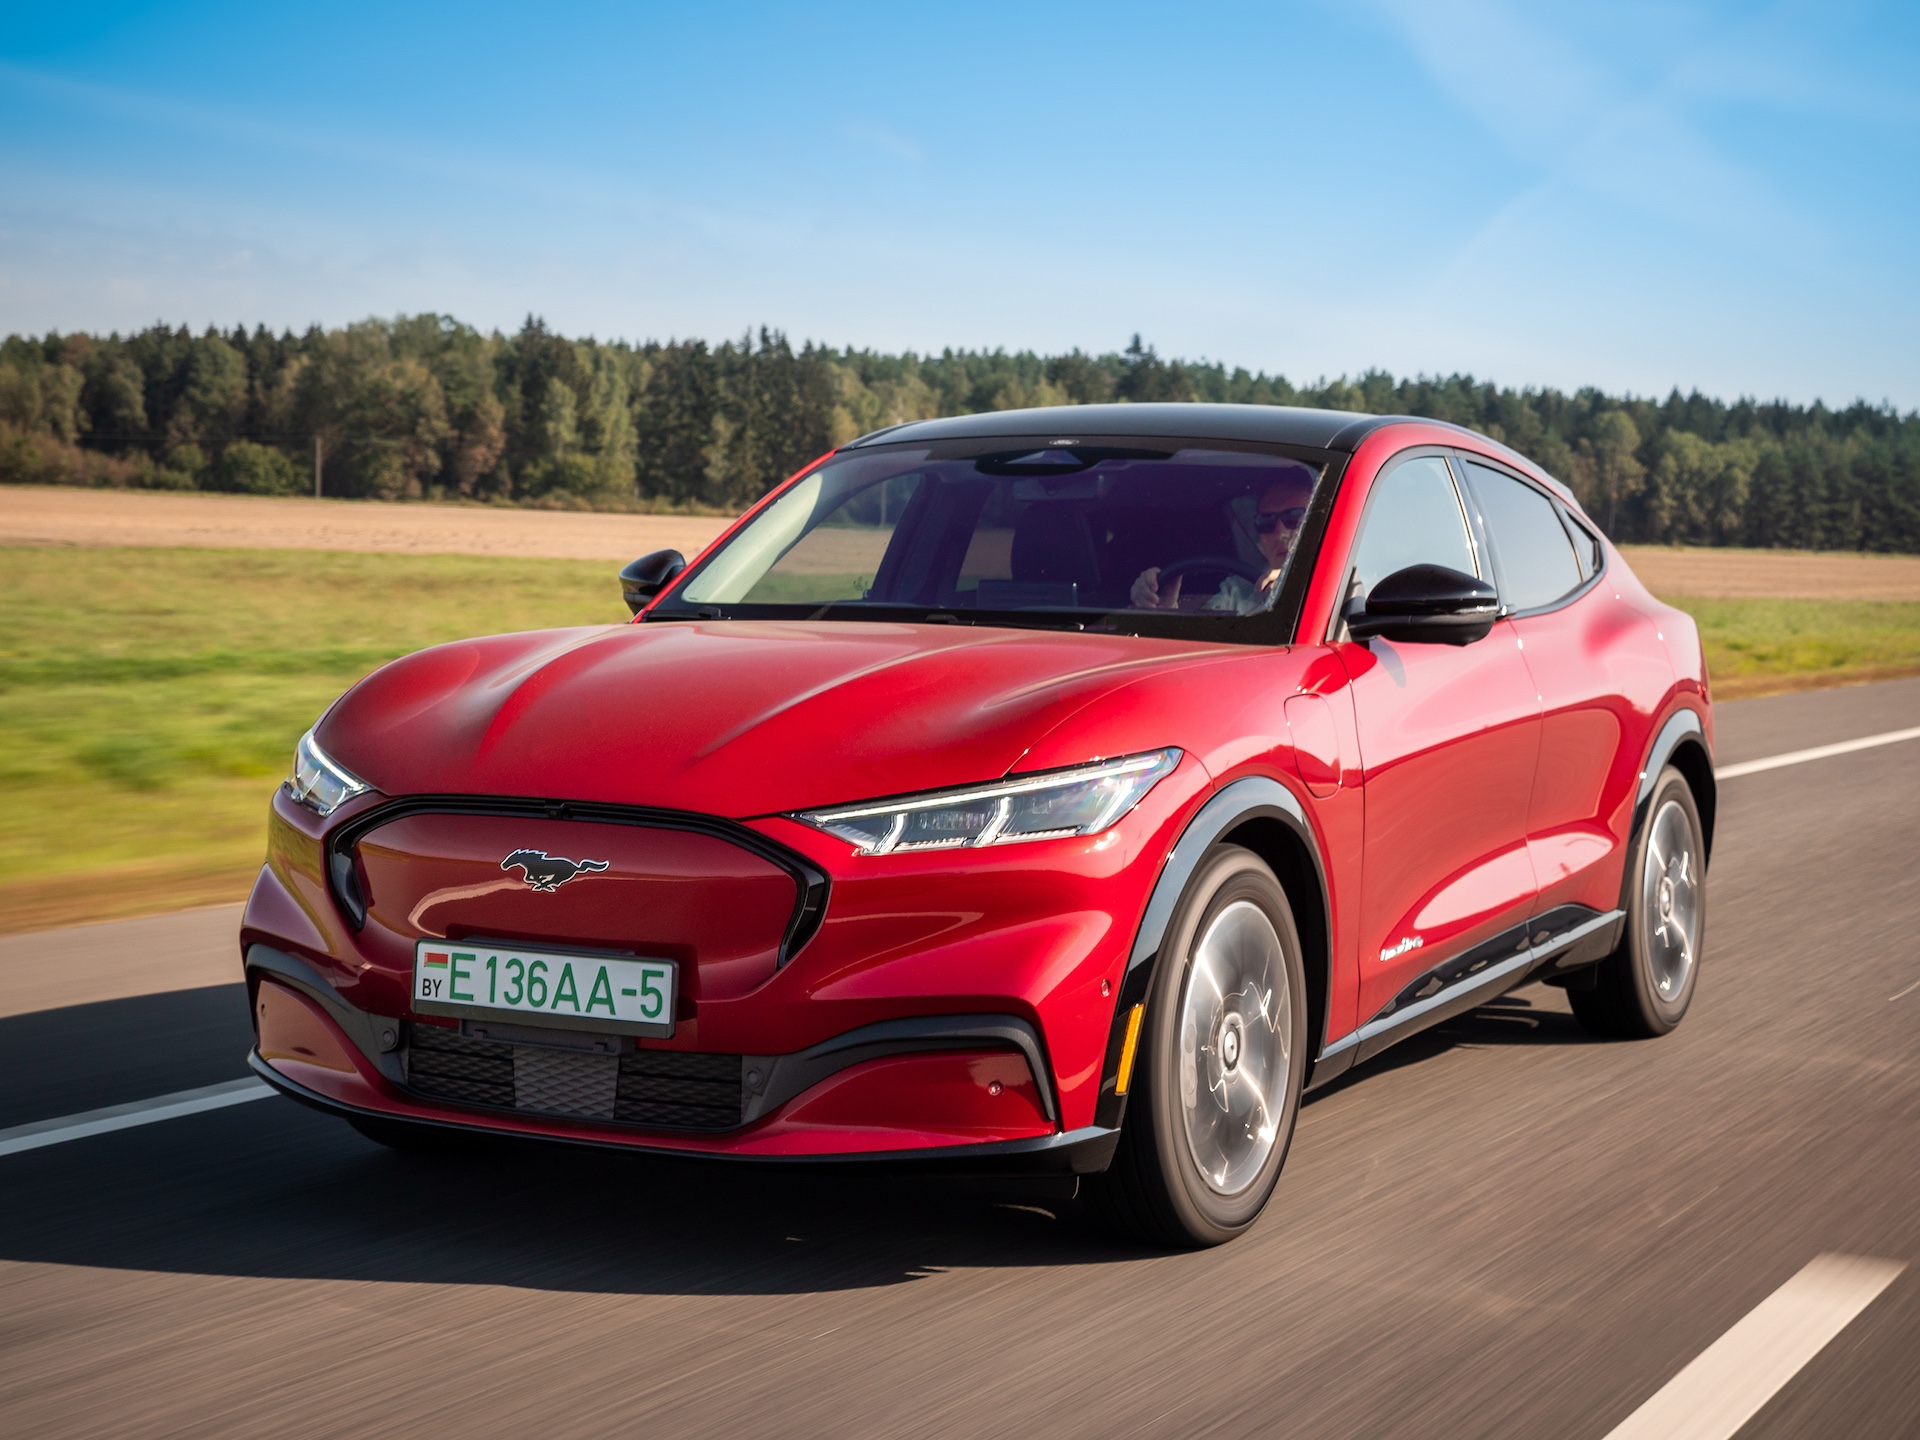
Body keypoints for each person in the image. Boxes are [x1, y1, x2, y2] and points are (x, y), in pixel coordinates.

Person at [1129, 478, 1312, 614]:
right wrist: (1164, 607)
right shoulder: (1237, 590)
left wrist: (1294, 588)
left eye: (1294, 518)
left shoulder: (1329, 594)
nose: (1280, 533)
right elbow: (1200, 640)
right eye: (1266, 522)